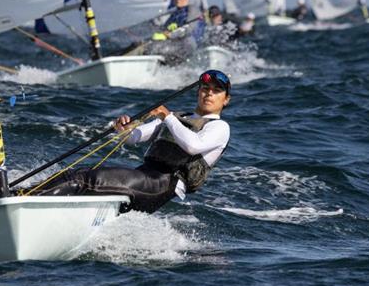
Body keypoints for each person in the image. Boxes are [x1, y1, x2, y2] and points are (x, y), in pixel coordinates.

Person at [30, 70, 231, 214]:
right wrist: (123, 127)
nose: (209, 93)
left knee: (87, 179)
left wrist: (167, 117)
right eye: (205, 88)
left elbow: (193, 146)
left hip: (163, 184)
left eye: (216, 91)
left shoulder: (220, 127)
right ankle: (22, 195)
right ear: (198, 92)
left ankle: (27, 203)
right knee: (77, 173)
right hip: (144, 175)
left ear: (226, 100)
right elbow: (133, 138)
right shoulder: (176, 117)